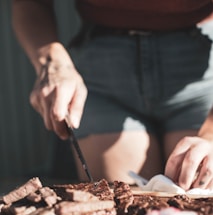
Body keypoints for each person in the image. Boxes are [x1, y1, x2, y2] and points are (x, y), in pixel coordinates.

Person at [11, 0, 213, 190]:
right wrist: (51, 59)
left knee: (198, 203)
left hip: (201, 70)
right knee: (117, 205)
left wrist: (210, 134)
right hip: (102, 66)